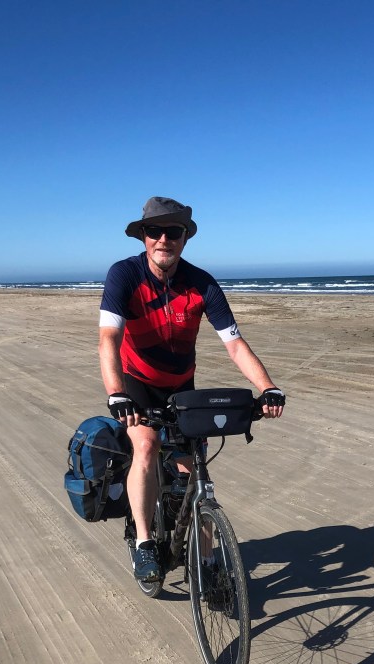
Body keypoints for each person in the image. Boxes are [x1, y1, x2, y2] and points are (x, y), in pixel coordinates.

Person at [99, 196, 285, 583]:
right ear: (143, 236)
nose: (163, 239)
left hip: (182, 387)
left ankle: (208, 563)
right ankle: (144, 543)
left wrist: (267, 387)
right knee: (146, 446)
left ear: (185, 237)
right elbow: (109, 338)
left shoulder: (202, 284)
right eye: (155, 231)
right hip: (137, 384)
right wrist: (117, 393)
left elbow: (234, 344)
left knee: (195, 471)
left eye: (173, 231)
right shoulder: (125, 275)